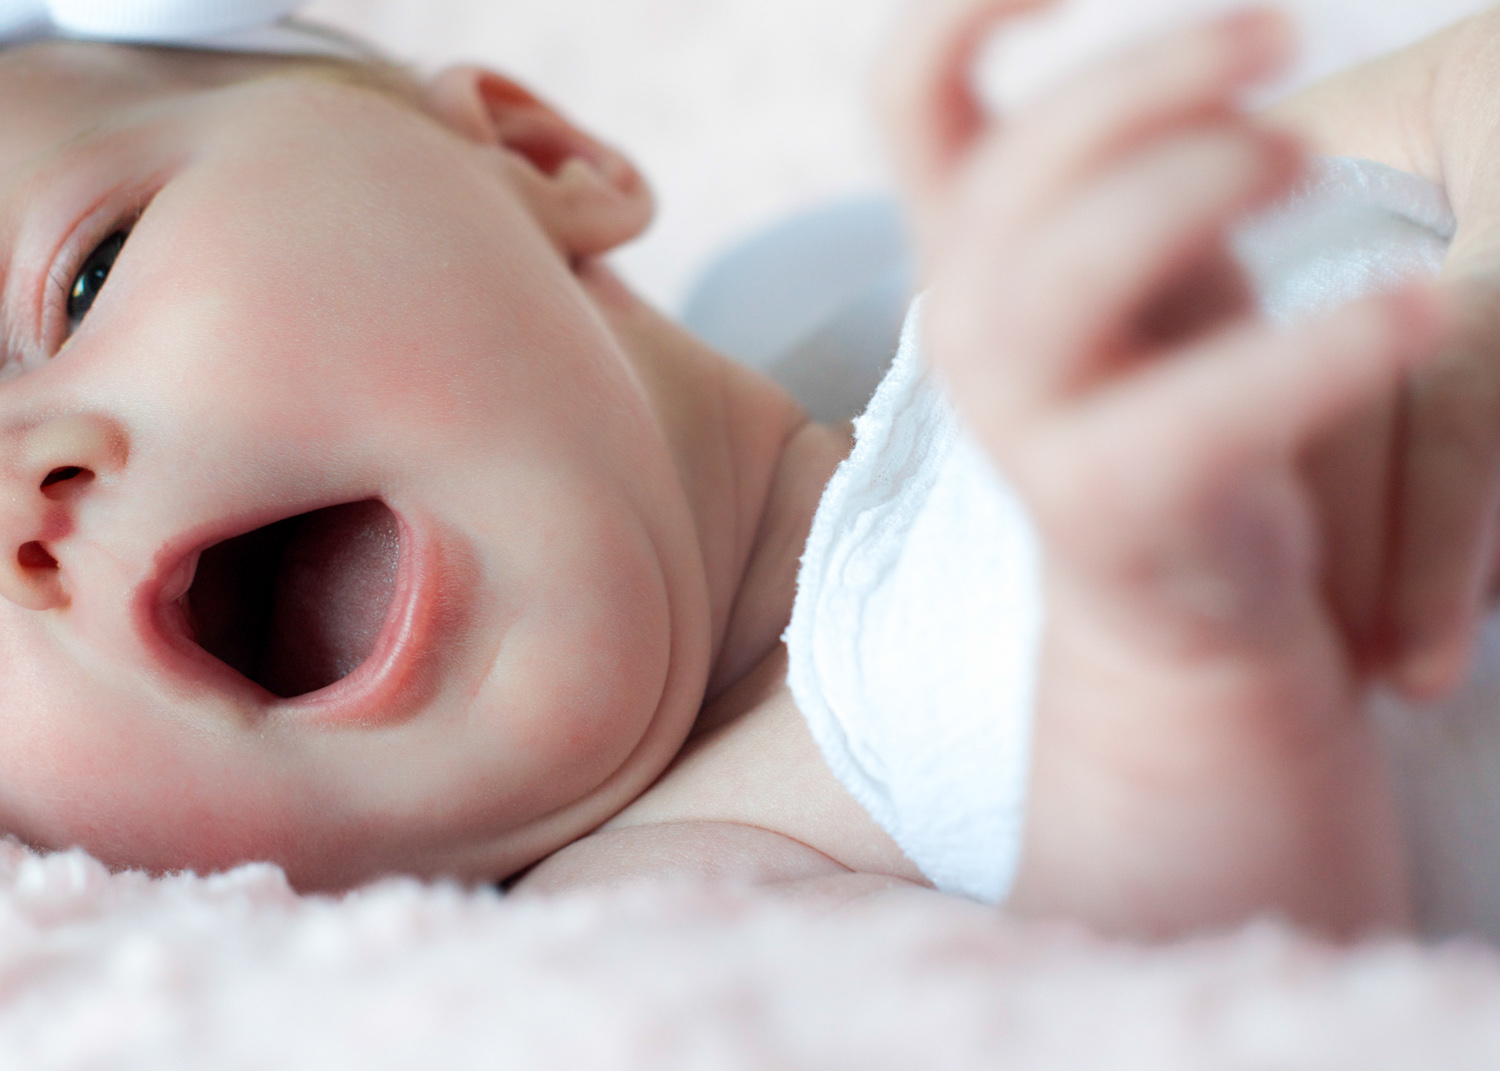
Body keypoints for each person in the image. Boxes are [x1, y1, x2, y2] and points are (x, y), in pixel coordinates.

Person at [0, 0, 1496, 940]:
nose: (24, 489)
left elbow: (1461, 81)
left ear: (536, 155)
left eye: (80, 282)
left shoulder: (924, 288)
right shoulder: (676, 913)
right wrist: (1179, 648)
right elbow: (1207, 1010)